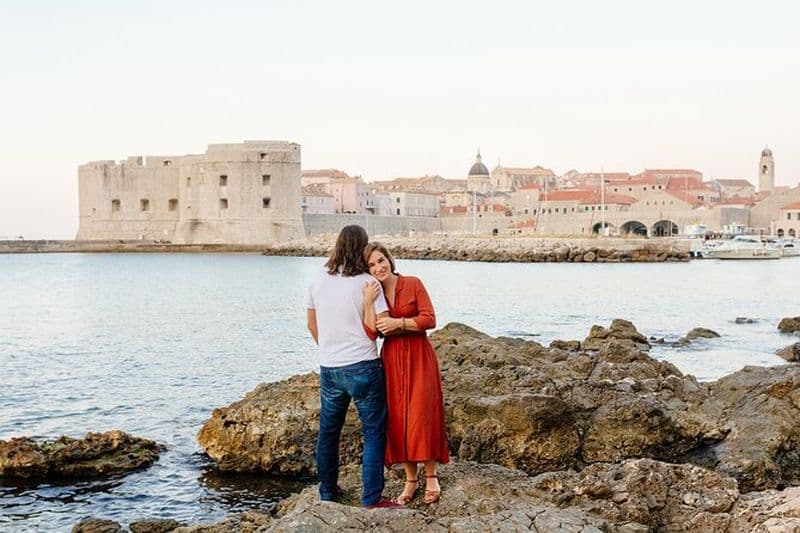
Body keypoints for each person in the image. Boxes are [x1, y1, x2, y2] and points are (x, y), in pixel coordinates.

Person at [306, 225, 400, 509]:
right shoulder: (367, 284)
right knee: (373, 432)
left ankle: (327, 492)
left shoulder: (318, 278)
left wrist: (329, 349)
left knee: (328, 432)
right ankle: (371, 498)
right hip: (363, 365)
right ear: (362, 247)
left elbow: (312, 324)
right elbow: (379, 327)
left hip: (330, 367)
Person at [362, 242, 449, 505]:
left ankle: (431, 475)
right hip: (391, 359)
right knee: (399, 418)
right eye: (372, 265)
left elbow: (430, 319)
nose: (379, 267)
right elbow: (372, 332)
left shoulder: (412, 283)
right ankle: (410, 479)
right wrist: (367, 302)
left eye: (381, 260)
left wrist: (398, 323)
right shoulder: (372, 293)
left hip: (418, 355)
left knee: (422, 414)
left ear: (389, 259)